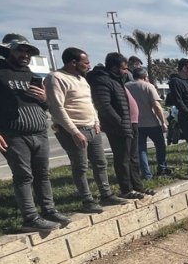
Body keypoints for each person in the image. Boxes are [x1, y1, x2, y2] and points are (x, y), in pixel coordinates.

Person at [0, 34, 70, 232]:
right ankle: (30, 217)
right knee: (23, 176)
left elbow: (44, 106)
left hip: (39, 132)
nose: (25, 54)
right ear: (8, 50)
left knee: (42, 175)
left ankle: (48, 210)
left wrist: (44, 98)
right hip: (14, 134)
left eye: (27, 51)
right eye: (20, 50)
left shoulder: (31, 75)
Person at [45, 47, 128, 213]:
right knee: (80, 166)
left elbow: (90, 103)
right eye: (86, 63)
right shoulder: (56, 78)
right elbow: (57, 108)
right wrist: (74, 131)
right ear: (73, 62)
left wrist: (96, 121)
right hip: (73, 131)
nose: (89, 66)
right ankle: (87, 200)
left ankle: (106, 194)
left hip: (92, 127)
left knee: (100, 163)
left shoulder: (82, 79)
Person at [88, 53, 147, 198]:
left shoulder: (117, 79)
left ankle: (138, 186)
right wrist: (120, 123)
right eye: (123, 68)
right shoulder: (102, 81)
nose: (126, 71)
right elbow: (104, 105)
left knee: (133, 158)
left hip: (131, 123)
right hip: (119, 126)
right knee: (123, 159)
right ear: (113, 67)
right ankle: (126, 189)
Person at [126, 67, 171, 178]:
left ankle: (146, 174)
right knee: (160, 146)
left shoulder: (126, 87)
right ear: (145, 76)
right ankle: (162, 168)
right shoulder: (148, 86)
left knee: (141, 150)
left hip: (135, 123)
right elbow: (156, 106)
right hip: (152, 123)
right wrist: (163, 122)